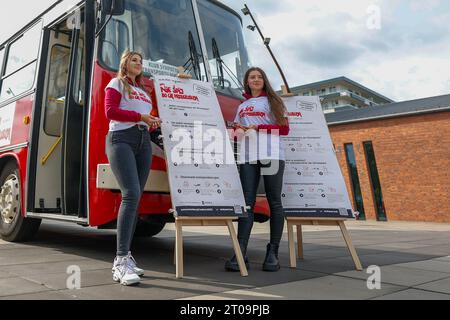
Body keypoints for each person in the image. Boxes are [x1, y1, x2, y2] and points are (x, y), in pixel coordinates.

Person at [105, 50, 161, 286]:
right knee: (131, 194)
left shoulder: (143, 92)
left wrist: (153, 123)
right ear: (125, 64)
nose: (138, 63)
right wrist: (141, 116)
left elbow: (146, 120)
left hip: (142, 141)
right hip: (121, 139)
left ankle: (127, 255)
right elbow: (110, 111)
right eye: (134, 60)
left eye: (141, 61)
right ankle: (119, 261)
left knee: (136, 197)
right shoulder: (116, 82)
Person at [226, 67, 290, 272]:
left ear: (264, 80)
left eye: (259, 76)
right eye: (252, 77)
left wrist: (259, 128)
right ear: (247, 81)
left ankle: (272, 253)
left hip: (271, 155)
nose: (256, 79)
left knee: (274, 201)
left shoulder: (274, 101)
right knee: (247, 203)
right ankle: (240, 251)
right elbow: (237, 129)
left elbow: (284, 129)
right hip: (247, 157)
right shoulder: (242, 105)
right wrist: (238, 129)